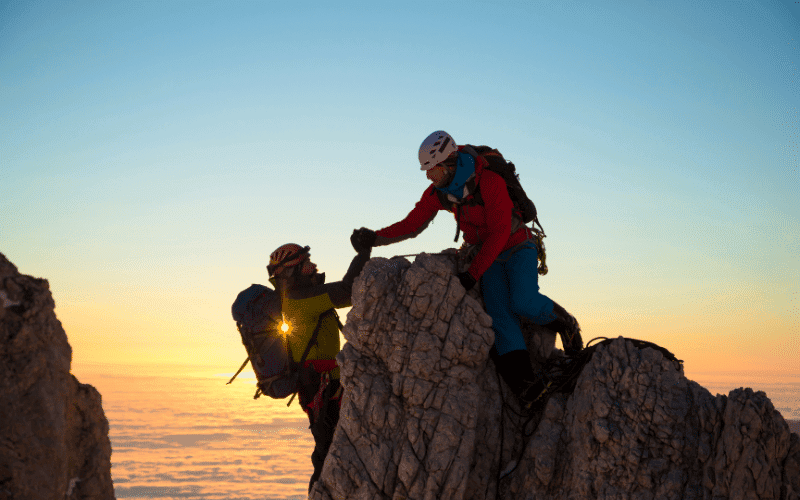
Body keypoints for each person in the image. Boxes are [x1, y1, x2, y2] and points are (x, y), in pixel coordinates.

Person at [351, 130, 583, 409]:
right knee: (499, 316)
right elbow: (413, 224)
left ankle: (566, 324)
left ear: (448, 163)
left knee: (523, 301)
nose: (428, 176)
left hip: (517, 246)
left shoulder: (489, 180)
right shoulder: (441, 192)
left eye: (431, 169)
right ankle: (527, 387)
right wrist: (374, 238)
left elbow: (499, 233)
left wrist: (472, 274)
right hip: (487, 255)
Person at [266, 239, 371, 491]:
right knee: (328, 454)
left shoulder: (302, 298)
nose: (313, 265)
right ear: (292, 271)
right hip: (323, 389)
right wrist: (364, 253)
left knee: (330, 452)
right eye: (305, 263)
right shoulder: (301, 301)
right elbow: (348, 290)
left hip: (324, 387)